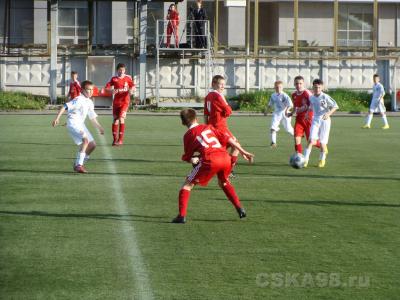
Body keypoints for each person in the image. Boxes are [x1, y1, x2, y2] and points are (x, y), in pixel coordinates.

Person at [172, 109, 255, 224]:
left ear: (183, 123)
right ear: (197, 118)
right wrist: (243, 152)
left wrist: (192, 159)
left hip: (210, 160)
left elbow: (187, 157)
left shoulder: (188, 135)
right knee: (224, 182)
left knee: (187, 185)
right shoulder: (208, 127)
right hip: (225, 158)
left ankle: (181, 216)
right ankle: (240, 209)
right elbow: (229, 139)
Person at [52, 80, 104, 173]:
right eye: (88, 89)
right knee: (85, 140)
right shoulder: (79, 99)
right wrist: (57, 118)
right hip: (73, 123)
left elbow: (92, 118)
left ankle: (78, 163)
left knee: (92, 145)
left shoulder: (89, 102)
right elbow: (65, 106)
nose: (91, 91)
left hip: (80, 124)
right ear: (83, 90)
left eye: (92, 89)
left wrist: (99, 127)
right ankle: (79, 165)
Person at [204, 75, 240, 175]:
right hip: (220, 127)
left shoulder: (208, 96)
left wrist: (208, 127)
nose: (223, 86)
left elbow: (206, 114)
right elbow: (229, 111)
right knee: (236, 146)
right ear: (213, 84)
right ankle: (228, 171)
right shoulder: (217, 96)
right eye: (221, 84)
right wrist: (226, 109)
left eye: (224, 84)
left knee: (220, 150)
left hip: (212, 126)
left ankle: (203, 162)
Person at [303, 79, 338, 168]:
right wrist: (307, 113)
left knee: (322, 143)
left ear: (322, 87)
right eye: (315, 87)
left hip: (325, 120)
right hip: (315, 120)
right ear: (313, 87)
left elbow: (335, 106)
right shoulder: (311, 97)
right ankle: (305, 160)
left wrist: (328, 113)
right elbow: (311, 106)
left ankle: (322, 159)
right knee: (311, 140)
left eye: (319, 87)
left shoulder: (325, 96)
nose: (317, 89)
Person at [105, 63, 135, 146]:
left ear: (125, 70)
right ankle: (115, 140)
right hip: (116, 102)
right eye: (120, 70)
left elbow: (132, 86)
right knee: (115, 120)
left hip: (125, 101)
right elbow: (106, 87)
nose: (122, 71)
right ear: (117, 70)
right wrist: (111, 91)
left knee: (121, 118)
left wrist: (131, 90)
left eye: (123, 70)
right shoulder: (114, 79)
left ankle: (120, 140)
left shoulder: (128, 78)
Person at [291, 75, 321, 154]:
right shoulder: (293, 95)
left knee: (311, 141)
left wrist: (307, 108)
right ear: (294, 84)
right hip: (299, 120)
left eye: (300, 83)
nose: (298, 85)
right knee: (297, 138)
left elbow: (313, 104)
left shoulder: (307, 93)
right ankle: (299, 156)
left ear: (303, 83)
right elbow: (295, 106)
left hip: (309, 119)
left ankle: (322, 146)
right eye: (297, 83)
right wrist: (291, 113)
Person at [265, 80, 294, 148]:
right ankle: (273, 143)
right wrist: (267, 110)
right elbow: (270, 104)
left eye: (280, 87)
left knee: (288, 129)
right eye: (277, 87)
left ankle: (297, 135)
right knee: (273, 128)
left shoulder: (285, 95)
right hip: (277, 113)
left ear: (282, 87)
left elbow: (291, 105)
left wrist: (287, 110)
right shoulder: (273, 95)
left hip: (285, 113)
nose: (278, 89)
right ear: (274, 88)